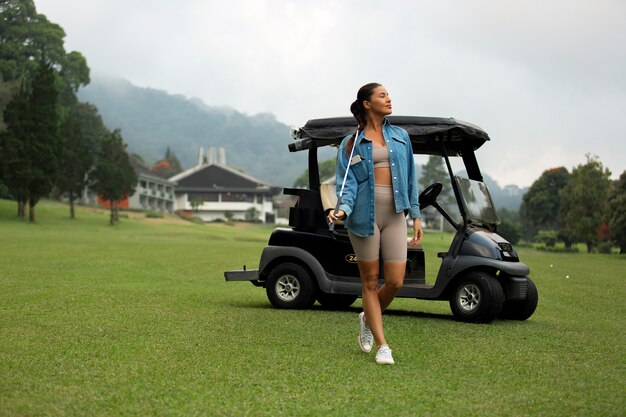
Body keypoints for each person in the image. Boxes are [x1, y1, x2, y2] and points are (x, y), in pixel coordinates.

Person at [328, 83, 423, 365]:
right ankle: (383, 346)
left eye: (389, 94)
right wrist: (342, 211)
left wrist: (416, 215)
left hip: (395, 215)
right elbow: (348, 185)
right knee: (369, 282)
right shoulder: (351, 143)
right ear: (367, 104)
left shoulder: (401, 137)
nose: (389, 98)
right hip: (362, 218)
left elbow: (410, 179)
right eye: (382, 95)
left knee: (395, 281)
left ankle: (368, 317)